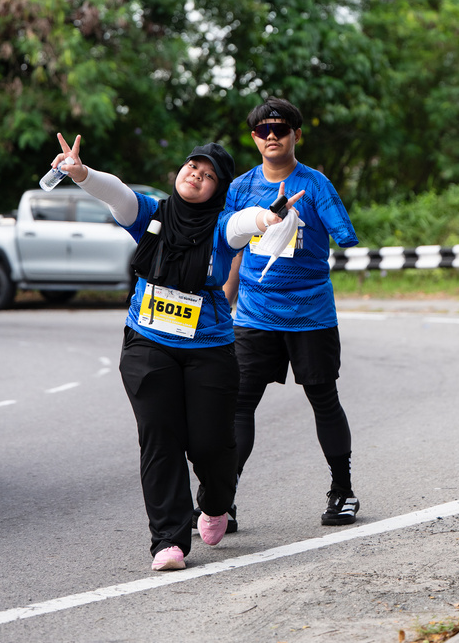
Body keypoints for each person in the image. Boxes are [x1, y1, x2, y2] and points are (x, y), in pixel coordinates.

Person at [49, 131, 302, 571]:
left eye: (208, 176)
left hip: (210, 349)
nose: (196, 176)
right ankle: (168, 540)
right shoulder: (152, 214)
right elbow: (118, 193)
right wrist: (82, 173)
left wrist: (268, 217)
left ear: (218, 189)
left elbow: (245, 224)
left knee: (211, 445)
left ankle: (216, 504)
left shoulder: (222, 227)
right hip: (147, 343)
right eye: (192, 167)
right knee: (159, 439)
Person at [221, 97, 360, 529]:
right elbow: (230, 246)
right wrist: (223, 299)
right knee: (239, 404)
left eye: (281, 129)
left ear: (296, 135)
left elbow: (345, 236)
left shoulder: (316, 184)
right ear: (254, 138)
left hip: (310, 313)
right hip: (254, 315)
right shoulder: (240, 188)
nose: (272, 136)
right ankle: (222, 501)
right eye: (264, 130)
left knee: (323, 399)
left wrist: (301, 218)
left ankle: (343, 491)